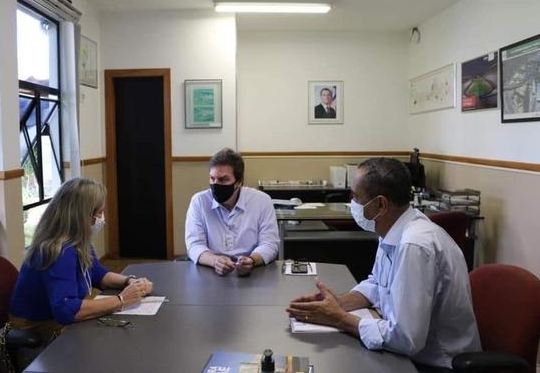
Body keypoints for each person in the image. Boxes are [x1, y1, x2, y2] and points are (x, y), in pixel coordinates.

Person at [287, 158, 480, 371]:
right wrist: (339, 303)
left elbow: (406, 340)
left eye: (356, 197)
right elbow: (378, 284)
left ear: (380, 204)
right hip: (410, 356)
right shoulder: (393, 228)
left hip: (434, 364)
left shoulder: (414, 245)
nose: (352, 203)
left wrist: (340, 319)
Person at [9, 178, 154, 345]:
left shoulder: (77, 241)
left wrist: (130, 282)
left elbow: (96, 273)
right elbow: (66, 309)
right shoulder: (57, 250)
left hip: (60, 326)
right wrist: (121, 300)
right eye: (98, 213)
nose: (102, 219)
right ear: (81, 215)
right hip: (40, 335)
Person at [185, 148, 280, 276]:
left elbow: (270, 243)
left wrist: (252, 260)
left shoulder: (262, 201)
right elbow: (194, 245)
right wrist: (215, 261)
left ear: (239, 182)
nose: (216, 184)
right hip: (211, 273)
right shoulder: (199, 201)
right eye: (212, 178)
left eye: (223, 180)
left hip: (253, 274)